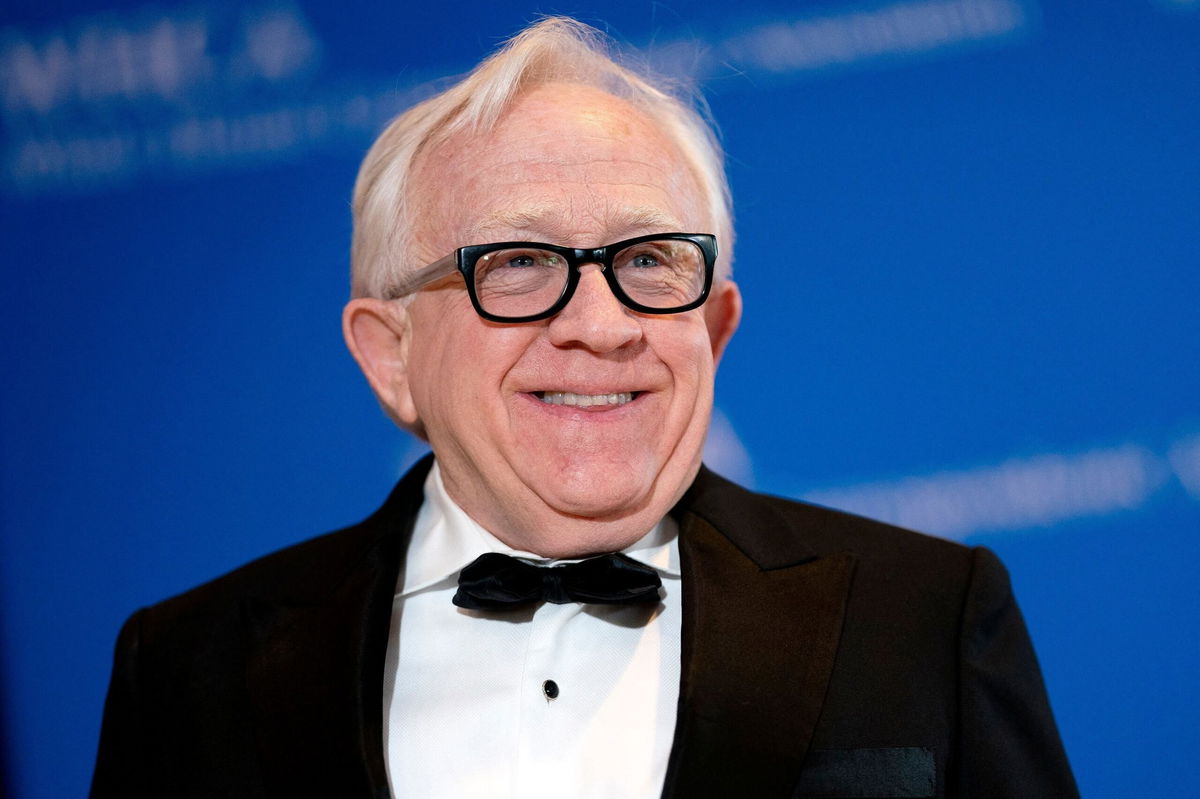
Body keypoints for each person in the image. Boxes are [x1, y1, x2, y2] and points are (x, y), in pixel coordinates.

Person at [91, 16, 1078, 799]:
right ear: (389, 355)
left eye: (649, 260)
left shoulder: (924, 617)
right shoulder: (187, 671)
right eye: (518, 264)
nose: (601, 326)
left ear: (716, 326)